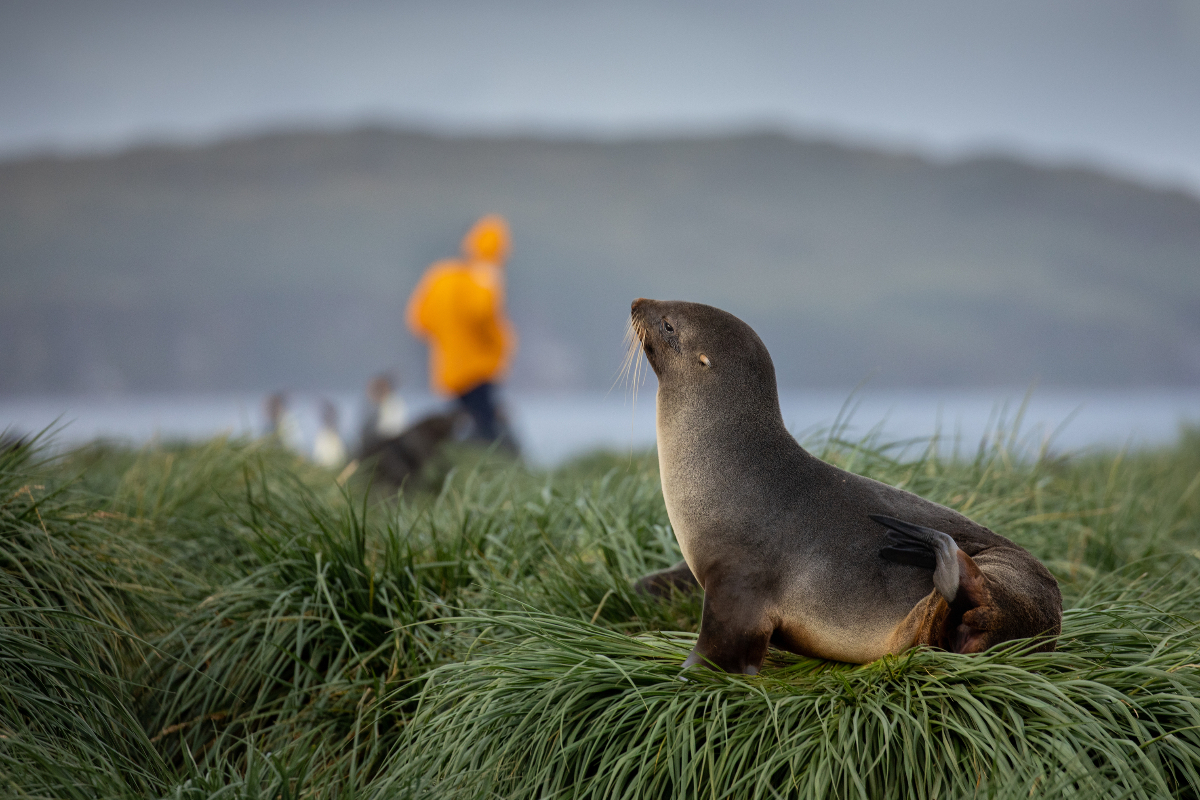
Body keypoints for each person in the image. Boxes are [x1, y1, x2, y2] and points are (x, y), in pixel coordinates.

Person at [406, 214, 518, 446]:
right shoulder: (484, 278)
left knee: (460, 422)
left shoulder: (440, 277)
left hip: (448, 369)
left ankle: (459, 465)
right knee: (486, 426)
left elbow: (419, 320)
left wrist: (448, 337)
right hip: (479, 368)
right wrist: (501, 344)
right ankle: (486, 469)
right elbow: (481, 314)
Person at [312, 400, 347, 468]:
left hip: (332, 469)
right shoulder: (323, 435)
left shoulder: (335, 437)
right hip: (325, 469)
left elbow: (341, 459)